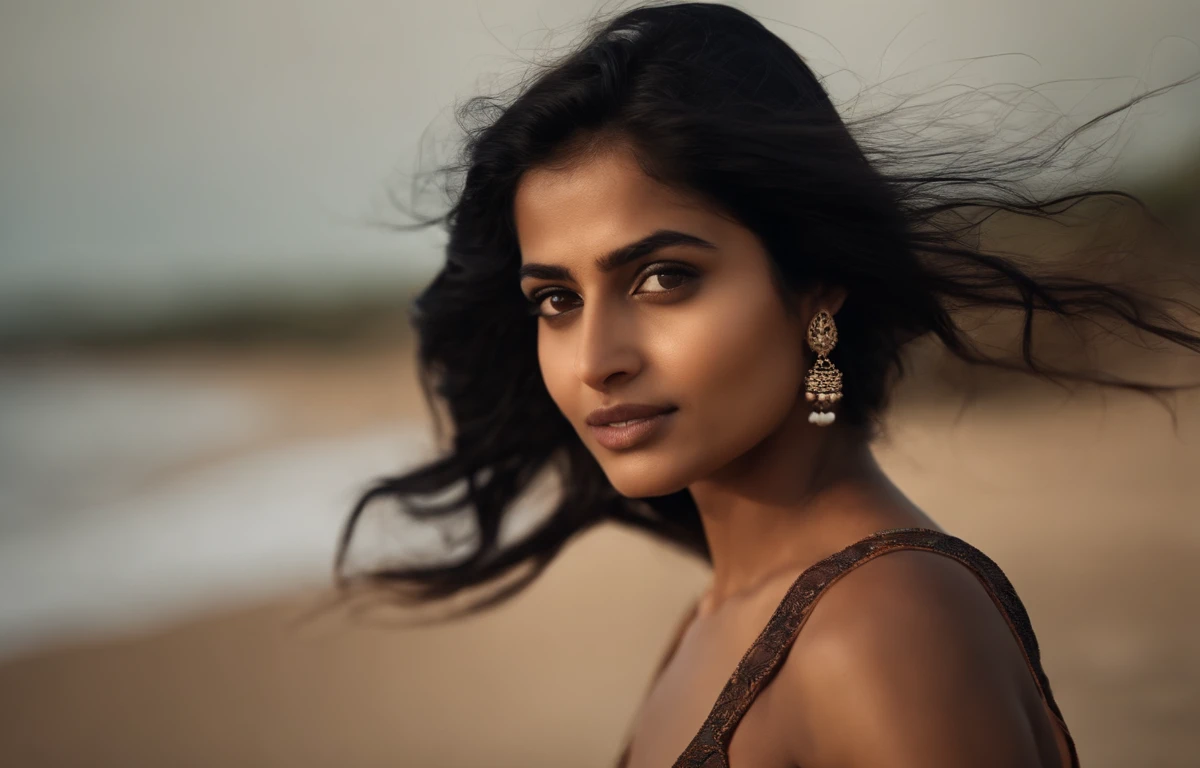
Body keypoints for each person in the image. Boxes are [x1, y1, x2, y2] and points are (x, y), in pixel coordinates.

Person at [333, 2, 1200, 766]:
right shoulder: (728, 609)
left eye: (664, 277)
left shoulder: (882, 627)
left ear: (814, 286)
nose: (596, 357)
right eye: (556, 299)